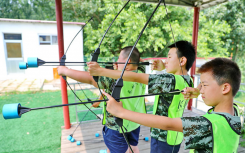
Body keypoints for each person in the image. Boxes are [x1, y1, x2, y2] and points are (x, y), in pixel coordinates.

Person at [102, 57, 242, 153]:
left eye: (204, 85)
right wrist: (198, 90)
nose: (202, 89)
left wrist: (120, 112)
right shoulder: (233, 113)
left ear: (225, 88)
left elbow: (168, 124)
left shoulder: (209, 124)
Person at [88, 40, 196, 153]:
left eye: (169, 57)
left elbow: (135, 77)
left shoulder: (169, 80)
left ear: (182, 60)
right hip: (176, 136)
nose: (166, 60)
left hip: (162, 136)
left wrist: (100, 70)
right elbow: (173, 79)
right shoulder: (189, 80)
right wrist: (164, 67)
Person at [57, 46, 146, 153]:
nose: (116, 61)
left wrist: (65, 70)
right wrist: (121, 67)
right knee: (133, 148)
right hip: (135, 123)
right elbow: (139, 61)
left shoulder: (113, 79)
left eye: (118, 59)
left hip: (117, 127)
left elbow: (90, 79)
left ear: (128, 61)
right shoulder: (142, 73)